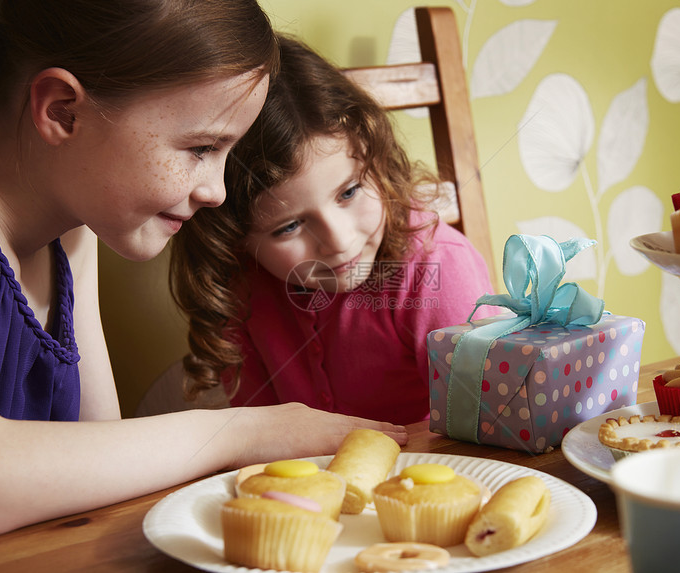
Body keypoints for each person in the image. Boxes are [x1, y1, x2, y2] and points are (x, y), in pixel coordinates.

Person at [0, 0, 406, 543]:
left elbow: (101, 458)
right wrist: (246, 432)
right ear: (62, 111)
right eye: (201, 147)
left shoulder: (72, 234)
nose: (217, 191)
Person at [169, 36, 498, 426]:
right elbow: (260, 436)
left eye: (350, 191)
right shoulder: (241, 286)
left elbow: (489, 420)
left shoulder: (435, 265)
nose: (340, 242)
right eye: (289, 226)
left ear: (374, 159)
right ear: (236, 238)